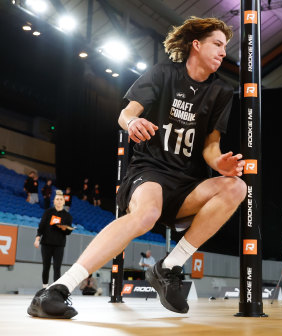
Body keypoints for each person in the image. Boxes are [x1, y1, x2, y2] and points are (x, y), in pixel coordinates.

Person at [28, 17, 245, 319]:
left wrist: (220, 162)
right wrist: (133, 123)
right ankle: (56, 290)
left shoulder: (221, 93)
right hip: (151, 170)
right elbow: (126, 113)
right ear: (196, 44)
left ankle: (169, 267)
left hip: (188, 184)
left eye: (226, 47)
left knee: (237, 186)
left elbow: (210, 145)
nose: (224, 52)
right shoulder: (162, 74)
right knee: (146, 214)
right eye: (217, 44)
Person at [33, 190, 73, 289]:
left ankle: (55, 289)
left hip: (59, 245)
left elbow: (68, 232)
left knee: (57, 268)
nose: (59, 201)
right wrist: (37, 239)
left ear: (64, 202)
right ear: (54, 201)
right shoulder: (48, 212)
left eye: (61, 200)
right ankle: (44, 288)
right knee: (46, 267)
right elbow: (41, 226)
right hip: (46, 243)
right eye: (57, 199)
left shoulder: (68, 216)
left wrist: (65, 229)